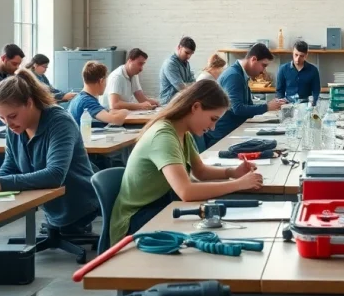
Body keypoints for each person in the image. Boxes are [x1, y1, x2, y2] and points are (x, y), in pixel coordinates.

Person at [109, 80, 263, 245]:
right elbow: (186, 191)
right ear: (195, 107)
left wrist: (231, 173)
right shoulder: (164, 136)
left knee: (212, 231)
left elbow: (200, 172)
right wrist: (238, 184)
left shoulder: (182, 132)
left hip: (161, 206)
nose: (212, 127)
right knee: (206, 235)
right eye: (213, 119)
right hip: (136, 220)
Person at [0, 70, 99, 235]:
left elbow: (55, 175)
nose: (8, 124)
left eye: (12, 116)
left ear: (29, 103)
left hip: (79, 204)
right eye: (2, 118)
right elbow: (11, 167)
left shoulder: (60, 122)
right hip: (50, 205)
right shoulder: (15, 128)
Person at [204, 43, 285, 147]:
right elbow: (237, 109)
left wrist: (268, 105)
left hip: (231, 132)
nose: (263, 71)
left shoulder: (242, 74)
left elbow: (248, 105)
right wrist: (267, 107)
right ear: (253, 59)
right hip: (221, 136)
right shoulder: (234, 75)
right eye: (263, 65)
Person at [67, 61, 128, 127]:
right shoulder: (87, 101)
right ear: (101, 81)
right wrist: (125, 112)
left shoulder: (80, 97)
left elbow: (107, 111)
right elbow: (115, 120)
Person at [159, 36, 197, 104]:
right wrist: (190, 85)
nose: (189, 57)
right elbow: (181, 88)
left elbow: (194, 84)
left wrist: (189, 85)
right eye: (187, 53)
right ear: (179, 47)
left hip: (181, 101)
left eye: (191, 54)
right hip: (168, 103)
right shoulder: (170, 64)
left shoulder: (186, 64)